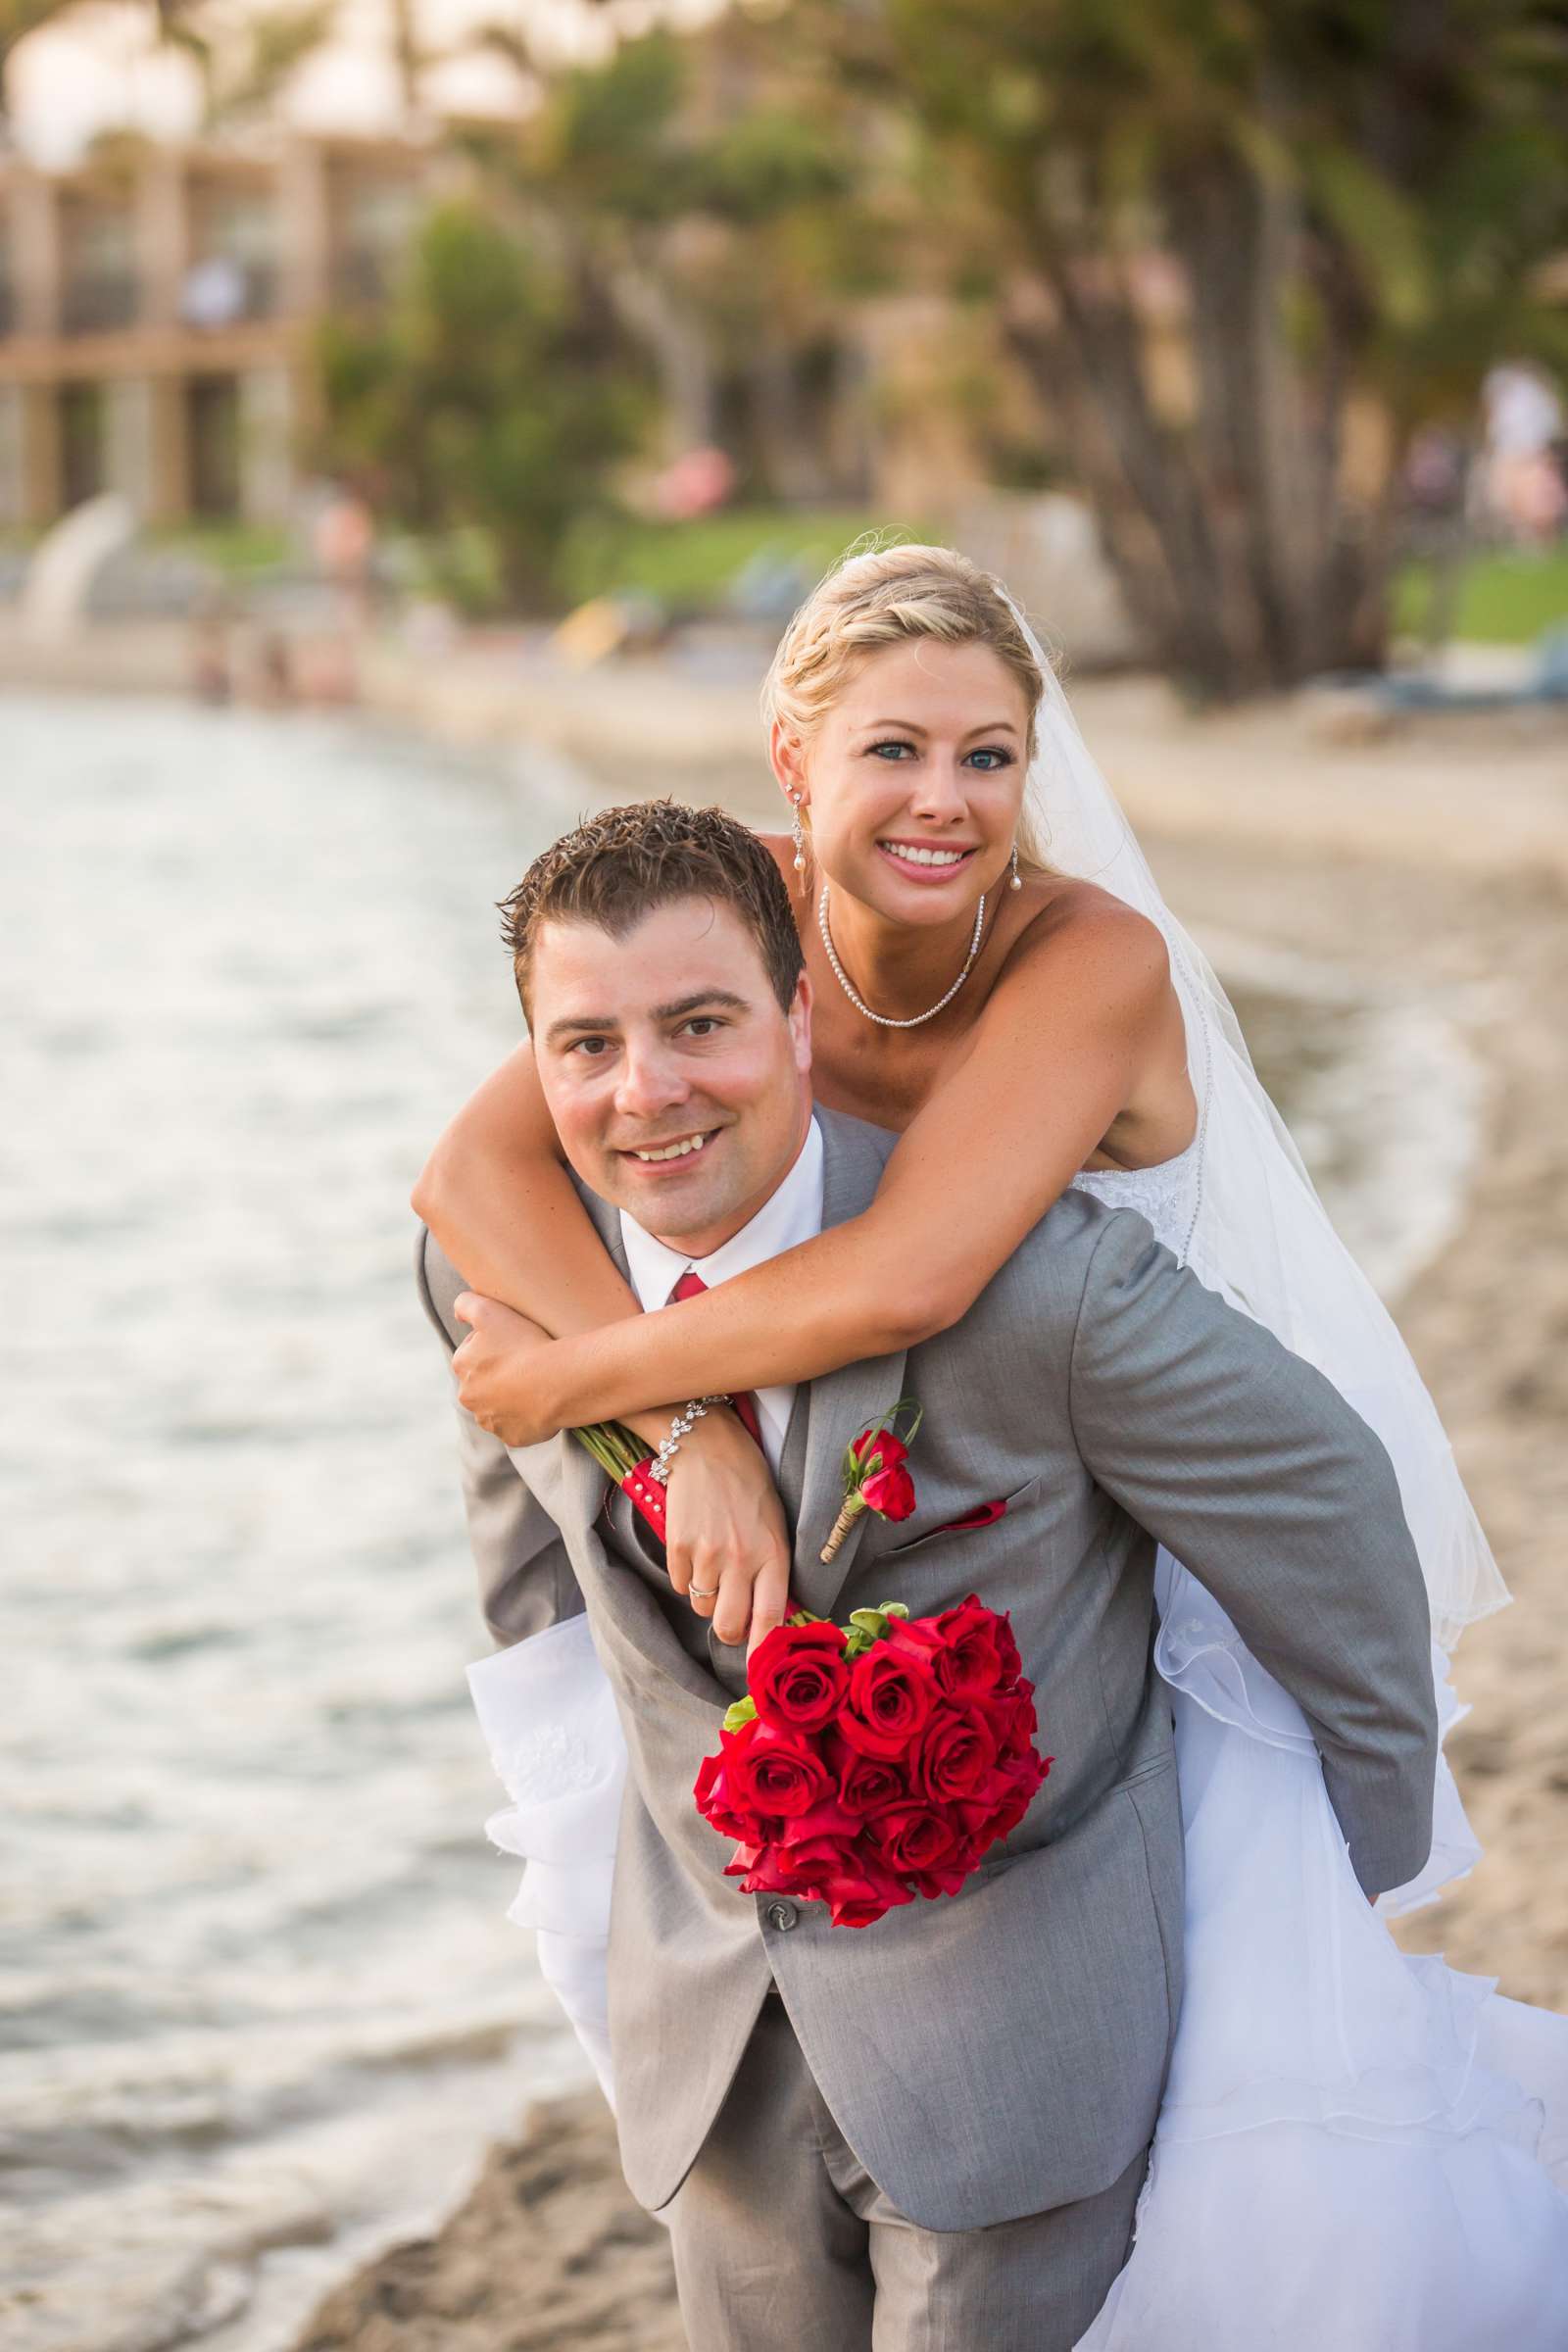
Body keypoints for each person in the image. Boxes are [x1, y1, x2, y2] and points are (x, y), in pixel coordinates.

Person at [417, 547, 1568, 2341]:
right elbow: (474, 1178)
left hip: (1133, 1505)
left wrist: (579, 1377)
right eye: (896, 751)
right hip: (854, 1445)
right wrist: (684, 1422)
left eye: (991, 756)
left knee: (1254, 2132)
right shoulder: (737, 934)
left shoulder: (1083, 957)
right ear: (789, 769)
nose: (946, 802)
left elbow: (920, 1274)